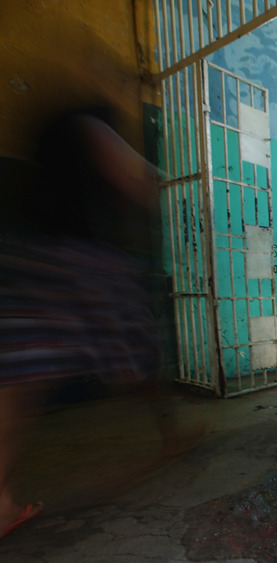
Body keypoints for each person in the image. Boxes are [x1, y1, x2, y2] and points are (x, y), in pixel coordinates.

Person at [0, 108, 174, 540]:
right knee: (137, 355)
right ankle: (171, 433)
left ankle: (1, 501)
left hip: (32, 257)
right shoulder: (92, 129)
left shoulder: (44, 133)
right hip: (89, 261)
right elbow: (137, 186)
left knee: (20, 379)